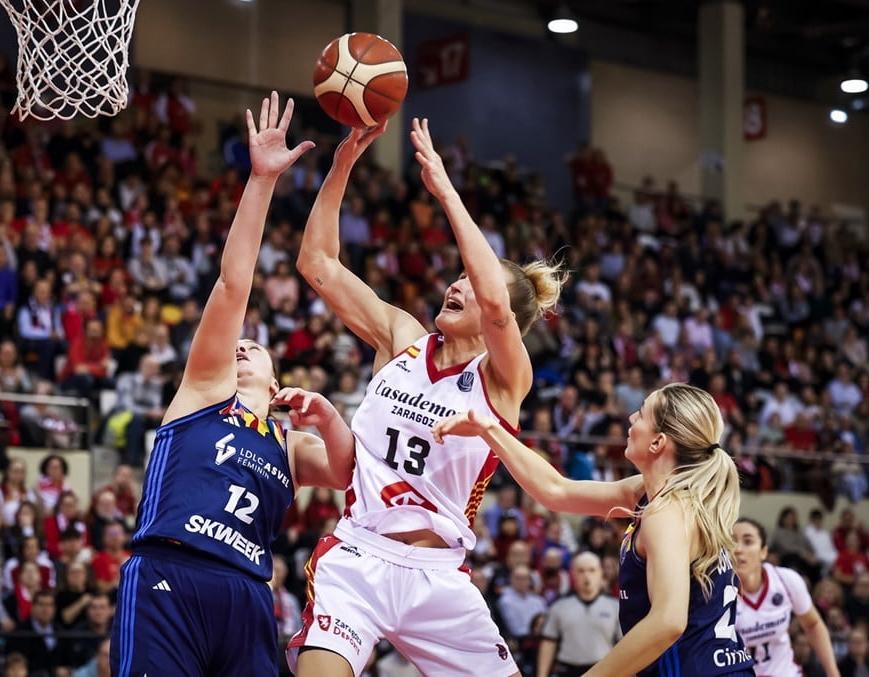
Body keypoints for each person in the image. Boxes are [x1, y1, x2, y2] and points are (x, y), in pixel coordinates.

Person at [289, 118, 566, 677]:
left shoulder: (505, 378)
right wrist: (341, 165)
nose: (457, 283)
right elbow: (317, 265)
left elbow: (494, 302)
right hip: (359, 556)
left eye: (470, 277)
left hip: (439, 577)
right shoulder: (403, 338)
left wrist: (445, 190)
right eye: (457, 275)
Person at [109, 91, 353, 677]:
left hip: (247, 594)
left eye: (256, 347)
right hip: (172, 572)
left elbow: (348, 474)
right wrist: (262, 180)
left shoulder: (290, 444)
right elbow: (233, 287)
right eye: (240, 343)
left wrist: (329, 418)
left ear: (276, 383)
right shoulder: (203, 389)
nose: (242, 345)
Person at [432, 383, 754, 676]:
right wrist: (490, 429)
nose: (630, 418)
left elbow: (668, 621)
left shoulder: (667, 512)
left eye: (641, 413)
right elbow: (556, 491)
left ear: (658, 442)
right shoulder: (654, 495)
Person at [732, 517, 838, 677]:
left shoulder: (786, 580)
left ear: (763, 552)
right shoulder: (717, 593)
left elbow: (813, 624)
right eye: (732, 542)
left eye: (748, 541)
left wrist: (832, 672)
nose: (738, 549)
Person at [537, 551, 622, 677]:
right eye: (581, 571)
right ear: (574, 574)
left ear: (600, 573)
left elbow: (623, 644)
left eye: (592, 570)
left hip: (604, 670)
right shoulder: (559, 606)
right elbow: (549, 643)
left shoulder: (615, 606)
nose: (586, 575)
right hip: (568, 670)